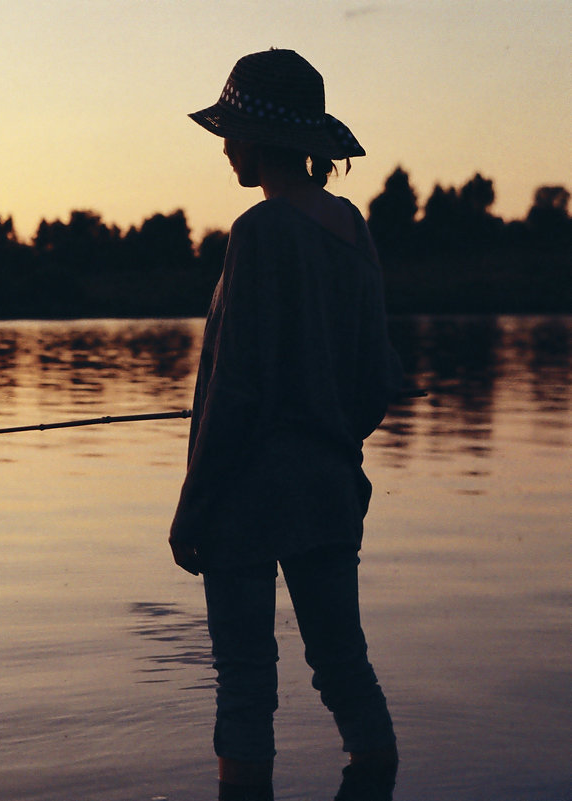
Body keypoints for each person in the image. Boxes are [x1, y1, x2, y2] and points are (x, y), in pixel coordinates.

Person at [169, 49, 402, 801]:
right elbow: (377, 387)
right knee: (343, 663)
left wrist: (192, 507)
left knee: (244, 682)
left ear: (261, 139)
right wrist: (325, 432)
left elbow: (233, 394)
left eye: (232, 132)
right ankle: (376, 779)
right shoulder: (353, 231)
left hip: (244, 498)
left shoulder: (258, 232)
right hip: (331, 492)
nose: (226, 147)